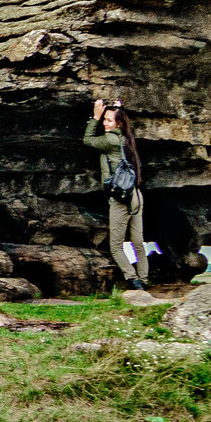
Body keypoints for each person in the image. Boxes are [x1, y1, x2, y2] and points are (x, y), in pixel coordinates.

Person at [85, 97, 150, 291]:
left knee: (115, 246)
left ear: (118, 124)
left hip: (120, 198)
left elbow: (88, 140)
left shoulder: (110, 140)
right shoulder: (126, 138)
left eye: (109, 120)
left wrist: (96, 117)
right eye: (104, 120)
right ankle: (144, 279)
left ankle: (133, 280)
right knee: (138, 243)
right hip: (136, 196)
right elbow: (122, 124)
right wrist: (118, 110)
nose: (105, 123)